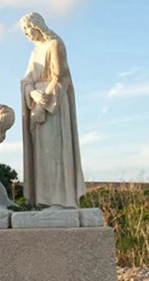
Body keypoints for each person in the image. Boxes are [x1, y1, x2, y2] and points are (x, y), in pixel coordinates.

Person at [20, 12, 86, 208]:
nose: (26, 34)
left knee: (54, 151)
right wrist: (32, 94)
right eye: (23, 31)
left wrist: (42, 106)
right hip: (37, 103)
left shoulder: (54, 45)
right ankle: (44, 202)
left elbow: (60, 77)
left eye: (27, 29)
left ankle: (60, 201)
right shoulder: (34, 53)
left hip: (53, 107)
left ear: (37, 26)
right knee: (41, 155)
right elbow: (27, 80)